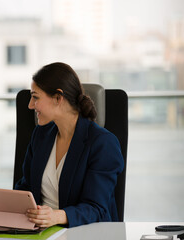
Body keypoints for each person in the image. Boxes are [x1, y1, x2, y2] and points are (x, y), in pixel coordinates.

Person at [14, 62, 124, 228]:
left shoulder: (103, 143)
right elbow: (26, 187)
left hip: (84, 233)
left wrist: (56, 217)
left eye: (35, 97)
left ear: (58, 98)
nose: (30, 105)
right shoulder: (41, 135)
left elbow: (97, 209)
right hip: (41, 232)